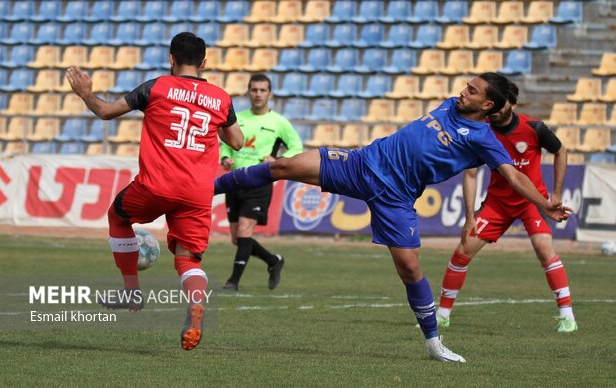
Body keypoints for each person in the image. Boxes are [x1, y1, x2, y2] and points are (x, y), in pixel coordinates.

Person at [214, 72, 571, 363]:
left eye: (472, 90)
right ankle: (206, 190)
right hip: (362, 163)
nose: (463, 91)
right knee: (282, 166)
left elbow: (512, 176)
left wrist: (544, 202)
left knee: (410, 269)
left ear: (487, 104)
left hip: (396, 197)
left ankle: (433, 343)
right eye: (466, 86)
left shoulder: (484, 139)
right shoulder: (451, 105)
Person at [67, 32, 244, 351]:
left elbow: (106, 112)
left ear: (171, 58)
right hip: (197, 193)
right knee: (188, 259)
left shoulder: (156, 87)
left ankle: (132, 291)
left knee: (118, 217)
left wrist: (85, 94)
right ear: (204, 63)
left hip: (157, 184)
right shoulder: (220, 98)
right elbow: (237, 141)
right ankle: (194, 307)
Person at [435, 81, 578, 333]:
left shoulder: (534, 128)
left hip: (532, 202)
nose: (497, 111)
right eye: (494, 107)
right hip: (497, 204)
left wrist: (555, 194)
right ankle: (442, 315)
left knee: (544, 249)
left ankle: (567, 315)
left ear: (512, 104)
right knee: (462, 252)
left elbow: (561, 151)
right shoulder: (482, 131)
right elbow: (470, 175)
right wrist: (469, 217)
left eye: (503, 105)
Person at [220, 74, 303, 292]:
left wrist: (278, 160)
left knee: (245, 231)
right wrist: (225, 157)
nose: (258, 94)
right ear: (248, 92)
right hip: (235, 180)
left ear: (270, 93)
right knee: (237, 238)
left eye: (262, 90)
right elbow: (227, 142)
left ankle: (233, 282)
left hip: (259, 182)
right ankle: (273, 260)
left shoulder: (279, 122)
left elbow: (297, 147)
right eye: (254, 90)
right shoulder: (239, 118)